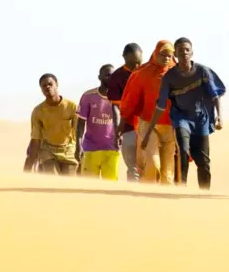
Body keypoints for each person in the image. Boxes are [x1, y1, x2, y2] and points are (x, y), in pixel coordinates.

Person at [142, 38, 225, 190]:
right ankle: (182, 186)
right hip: (181, 118)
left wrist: (219, 116)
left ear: (192, 52)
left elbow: (215, 95)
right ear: (176, 54)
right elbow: (160, 106)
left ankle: (204, 192)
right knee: (184, 150)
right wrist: (148, 132)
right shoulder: (169, 77)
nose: (184, 53)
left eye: (187, 50)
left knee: (204, 161)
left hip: (201, 120)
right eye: (180, 50)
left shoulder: (202, 71)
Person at [119, 41, 177, 185]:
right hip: (148, 124)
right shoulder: (142, 73)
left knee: (168, 172)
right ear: (156, 53)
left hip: (171, 126)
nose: (166, 58)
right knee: (152, 164)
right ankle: (146, 195)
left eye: (170, 55)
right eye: (163, 54)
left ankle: (164, 201)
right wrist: (124, 119)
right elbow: (130, 99)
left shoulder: (177, 72)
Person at [23, 73, 79, 175]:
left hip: (69, 150)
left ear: (56, 85)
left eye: (50, 84)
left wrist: (81, 153)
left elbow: (79, 133)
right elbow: (36, 138)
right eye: (44, 86)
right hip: (48, 151)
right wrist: (29, 163)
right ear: (41, 89)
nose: (47, 87)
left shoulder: (72, 107)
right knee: (52, 178)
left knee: (69, 183)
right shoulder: (38, 111)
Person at [107, 43, 144, 181]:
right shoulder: (117, 77)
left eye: (139, 62)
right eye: (133, 63)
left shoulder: (146, 72)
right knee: (132, 168)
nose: (136, 67)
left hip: (147, 127)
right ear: (124, 57)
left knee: (149, 166)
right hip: (128, 128)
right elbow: (116, 107)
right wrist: (118, 131)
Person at [76, 64, 120, 180]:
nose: (110, 78)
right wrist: (78, 145)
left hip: (112, 149)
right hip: (90, 149)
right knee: (88, 188)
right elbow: (80, 124)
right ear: (99, 77)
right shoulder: (88, 96)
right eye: (107, 75)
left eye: (113, 76)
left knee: (110, 188)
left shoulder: (120, 97)